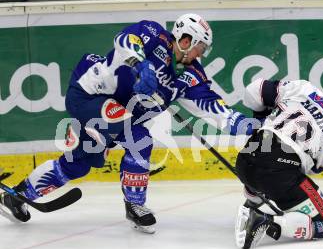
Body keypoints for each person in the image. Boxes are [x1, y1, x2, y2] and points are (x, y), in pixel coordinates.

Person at [0, 13, 255, 233]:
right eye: (200, 47)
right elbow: (125, 40)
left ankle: (18, 195)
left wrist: (247, 126)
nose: (202, 53)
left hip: (118, 115)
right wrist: (140, 63)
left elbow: (214, 108)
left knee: (82, 164)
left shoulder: (191, 76)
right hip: (90, 93)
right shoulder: (153, 34)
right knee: (127, 129)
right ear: (185, 40)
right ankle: (96, 141)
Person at [234, 73, 323, 249]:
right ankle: (265, 220)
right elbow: (313, 169)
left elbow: (254, 91)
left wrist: (262, 120)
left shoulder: (305, 88)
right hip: (277, 173)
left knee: (261, 169)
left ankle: (252, 203)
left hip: (245, 159)